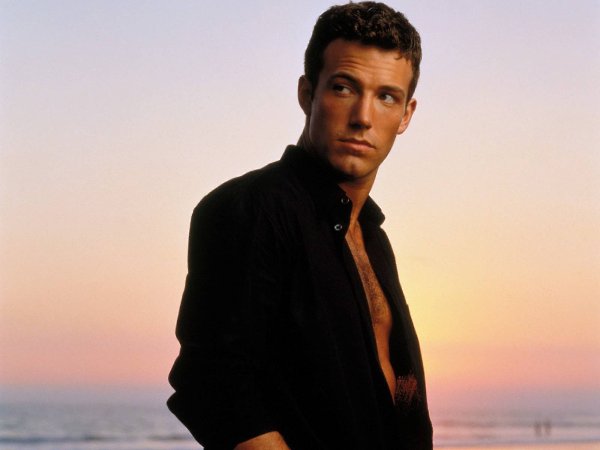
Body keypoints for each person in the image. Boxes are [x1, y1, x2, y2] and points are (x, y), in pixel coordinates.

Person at [167, 2, 433, 449]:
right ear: (308, 93)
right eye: (344, 88)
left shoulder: (373, 237)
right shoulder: (250, 208)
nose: (363, 117)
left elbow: (398, 397)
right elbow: (214, 385)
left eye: (386, 96)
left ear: (405, 115)